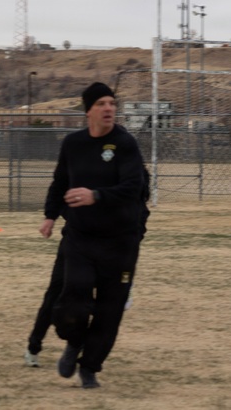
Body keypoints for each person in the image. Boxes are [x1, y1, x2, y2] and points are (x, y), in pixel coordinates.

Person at [49, 82, 146, 390]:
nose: (109, 109)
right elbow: (59, 182)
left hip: (120, 241)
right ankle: (74, 342)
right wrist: (49, 215)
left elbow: (134, 188)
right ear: (88, 110)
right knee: (73, 297)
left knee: (109, 310)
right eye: (102, 103)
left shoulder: (125, 144)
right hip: (81, 237)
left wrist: (96, 196)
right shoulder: (73, 144)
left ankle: (89, 368)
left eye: (112, 103)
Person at [25, 165, 149, 368]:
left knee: (102, 305)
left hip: (111, 252)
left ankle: (77, 348)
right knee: (56, 294)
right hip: (75, 244)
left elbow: (138, 221)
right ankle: (34, 346)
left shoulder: (134, 183)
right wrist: (56, 216)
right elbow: (65, 195)